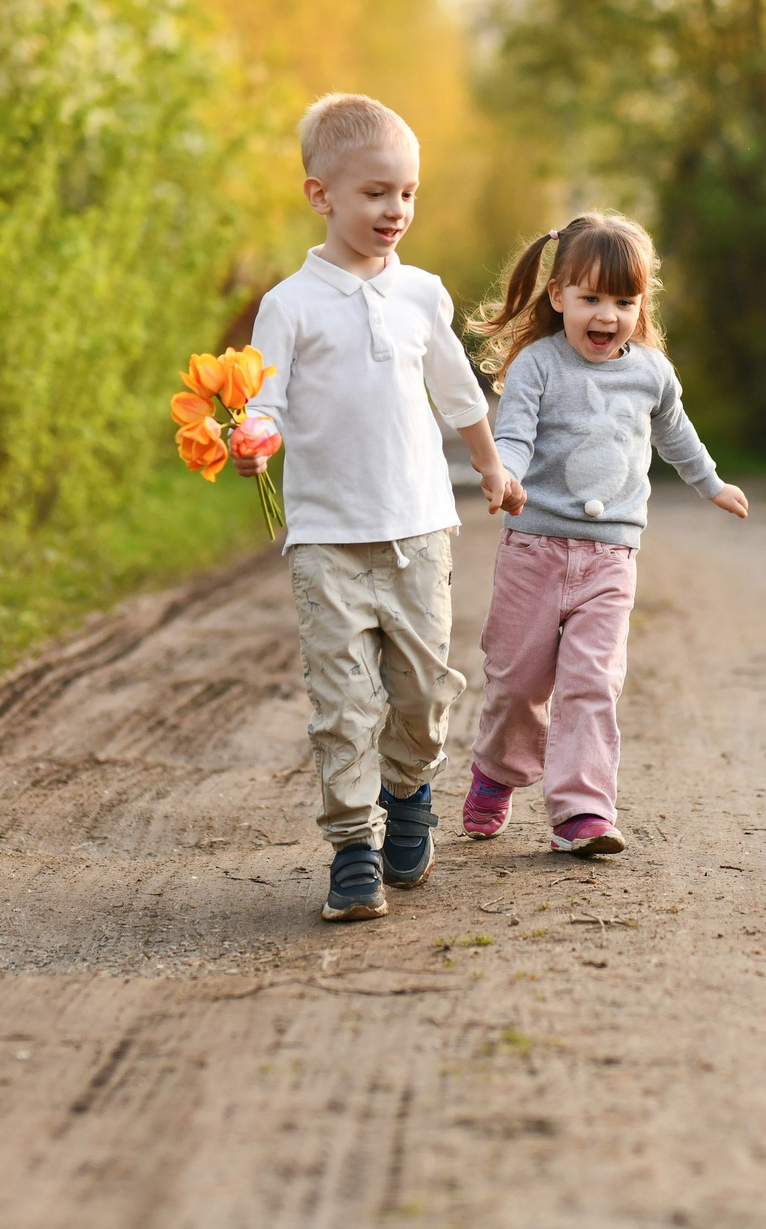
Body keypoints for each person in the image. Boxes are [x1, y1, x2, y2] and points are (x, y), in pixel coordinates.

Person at [235, 94, 524, 923]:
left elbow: (457, 392)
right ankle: (354, 846)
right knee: (344, 699)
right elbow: (269, 400)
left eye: (407, 193)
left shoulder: (421, 293)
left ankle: (409, 793)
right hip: (327, 537)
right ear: (320, 195)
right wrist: (253, 433)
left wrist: (491, 466)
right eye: (374, 193)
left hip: (420, 530)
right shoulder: (290, 304)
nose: (394, 209)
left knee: (425, 691)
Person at [460, 213, 747, 855]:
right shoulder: (537, 365)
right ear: (559, 296)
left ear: (642, 304)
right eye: (591, 298)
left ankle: (582, 812)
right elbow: (515, 433)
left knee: (593, 681)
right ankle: (497, 772)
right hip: (534, 549)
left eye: (624, 300)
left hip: (612, 557)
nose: (607, 315)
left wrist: (711, 483)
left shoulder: (651, 373)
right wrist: (502, 473)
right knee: (517, 680)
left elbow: (677, 433)